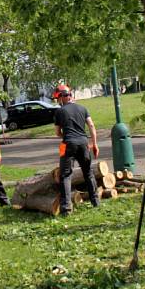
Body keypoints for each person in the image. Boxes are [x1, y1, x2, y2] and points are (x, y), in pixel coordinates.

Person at [53, 84, 100, 214]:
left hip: (68, 144)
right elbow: (91, 125)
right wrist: (94, 144)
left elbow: (57, 133)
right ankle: (95, 201)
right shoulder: (83, 108)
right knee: (88, 172)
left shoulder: (59, 112)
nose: (58, 101)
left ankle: (66, 208)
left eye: (58, 98)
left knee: (66, 175)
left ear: (62, 97)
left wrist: (67, 135)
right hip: (84, 143)